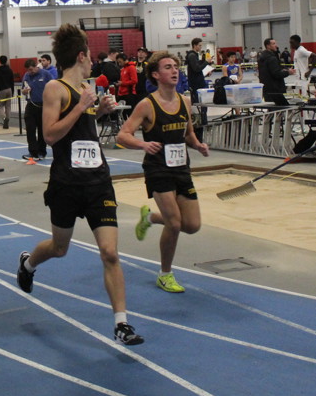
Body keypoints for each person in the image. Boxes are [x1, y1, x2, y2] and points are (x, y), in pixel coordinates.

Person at [15, 24, 144, 346]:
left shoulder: (87, 88)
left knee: (110, 252)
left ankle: (121, 323)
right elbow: (50, 135)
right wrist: (81, 106)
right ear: (82, 56)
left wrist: (98, 113)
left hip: (97, 180)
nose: (92, 64)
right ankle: (28, 264)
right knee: (60, 248)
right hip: (66, 183)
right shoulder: (55, 89)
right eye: (90, 58)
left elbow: (81, 130)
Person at [120, 51, 210, 294]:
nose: (174, 71)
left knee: (191, 225)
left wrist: (198, 145)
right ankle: (165, 274)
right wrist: (143, 144)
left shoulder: (185, 101)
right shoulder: (147, 105)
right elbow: (123, 135)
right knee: (174, 222)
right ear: (156, 75)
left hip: (181, 168)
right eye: (168, 67)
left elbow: (188, 133)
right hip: (157, 168)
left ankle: (150, 218)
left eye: (176, 67)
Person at [21, 58, 54, 161]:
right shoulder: (26, 76)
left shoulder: (45, 74)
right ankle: (33, 152)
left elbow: (54, 86)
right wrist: (24, 91)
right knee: (30, 129)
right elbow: (23, 89)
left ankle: (41, 152)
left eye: (31, 69)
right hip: (31, 105)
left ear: (36, 66)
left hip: (44, 106)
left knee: (42, 130)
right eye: (28, 70)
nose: (30, 72)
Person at [257, 38, 295, 106]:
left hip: (266, 88)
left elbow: (270, 70)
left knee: (271, 108)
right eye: (273, 44)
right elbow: (276, 74)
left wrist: (283, 69)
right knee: (283, 108)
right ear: (268, 46)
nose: (276, 45)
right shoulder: (272, 58)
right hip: (275, 89)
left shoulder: (262, 57)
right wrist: (288, 72)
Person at [0, 55, 15, 129]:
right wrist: (12, 91)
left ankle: (4, 118)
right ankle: (7, 119)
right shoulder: (10, 70)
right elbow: (12, 81)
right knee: (8, 106)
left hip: (1, 90)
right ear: (6, 61)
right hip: (9, 89)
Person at [185, 38, 208, 103]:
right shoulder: (192, 55)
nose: (201, 47)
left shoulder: (195, 55)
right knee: (198, 101)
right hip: (196, 83)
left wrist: (206, 73)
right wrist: (206, 62)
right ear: (194, 45)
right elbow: (196, 69)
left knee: (200, 101)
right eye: (199, 45)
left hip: (197, 81)